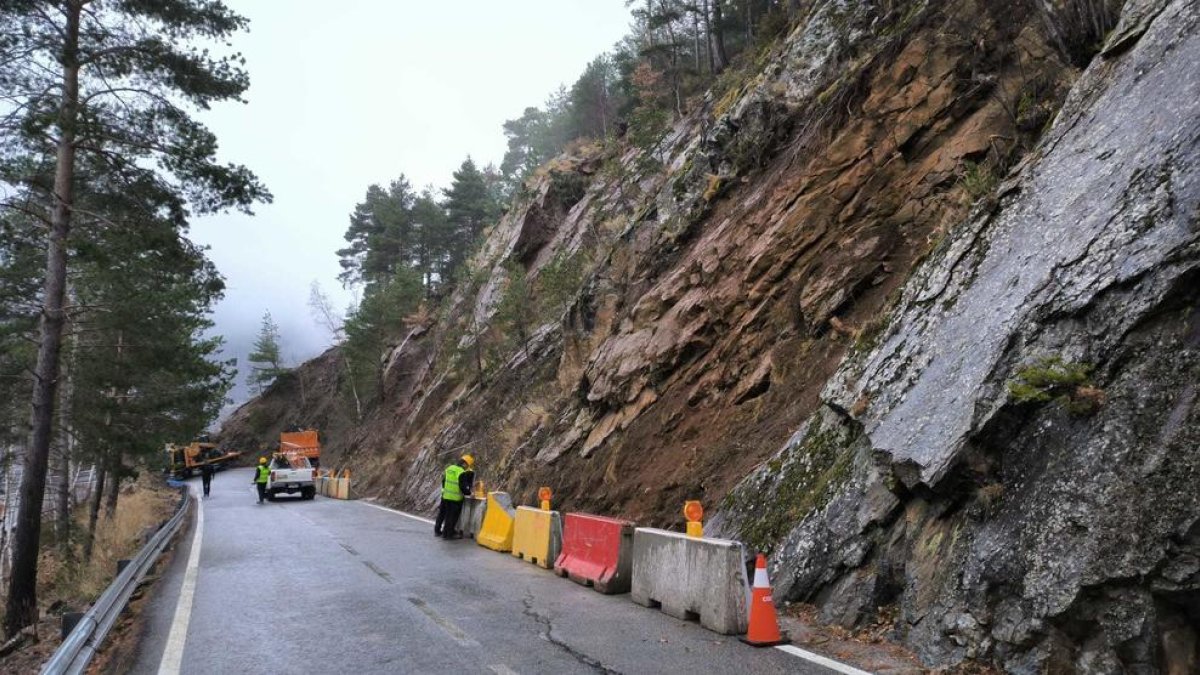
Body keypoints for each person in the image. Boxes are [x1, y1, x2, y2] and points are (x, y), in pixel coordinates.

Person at [433, 454, 475, 539]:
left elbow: (444, 481)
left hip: (446, 496)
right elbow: (463, 487)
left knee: (443, 514)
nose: (467, 468)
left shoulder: (449, 468)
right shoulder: (461, 472)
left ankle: (438, 530)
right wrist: (470, 493)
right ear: (465, 464)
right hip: (455, 499)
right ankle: (447, 534)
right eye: (467, 466)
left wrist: (446, 491)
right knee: (451, 517)